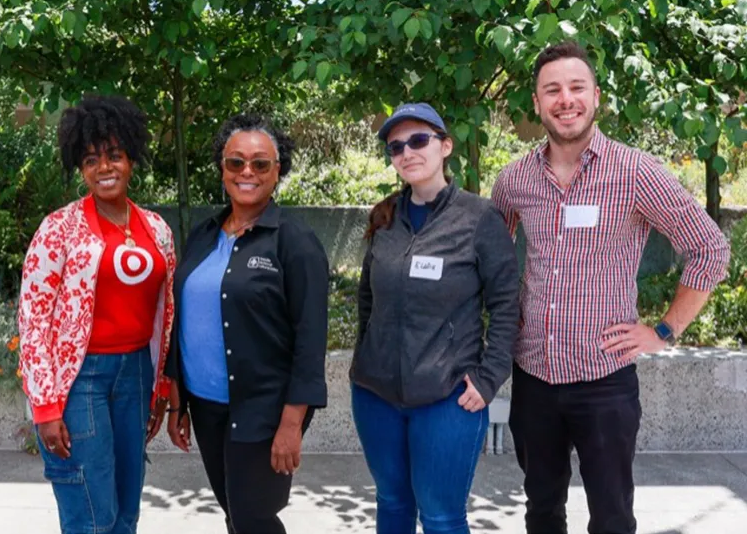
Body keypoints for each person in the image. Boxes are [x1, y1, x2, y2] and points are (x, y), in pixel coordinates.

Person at [491, 41, 731, 534]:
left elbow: (711, 248)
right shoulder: (514, 180)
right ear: (536, 103)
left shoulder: (636, 172)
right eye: (551, 89)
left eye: (577, 87)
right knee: (541, 510)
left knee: (613, 516)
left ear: (596, 96)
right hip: (533, 377)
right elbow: (492, 259)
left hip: (604, 382)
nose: (565, 99)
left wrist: (664, 330)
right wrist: (504, 319)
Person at [351, 103, 521, 534]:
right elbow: (367, 300)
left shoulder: (480, 218)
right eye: (396, 147)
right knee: (391, 503)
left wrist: (489, 378)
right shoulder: (385, 216)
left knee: (442, 517)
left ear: (445, 146)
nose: (407, 152)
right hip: (376, 395)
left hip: (447, 397)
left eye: (419, 140)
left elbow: (506, 304)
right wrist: (365, 358)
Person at [18, 94, 176, 534]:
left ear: (131, 159)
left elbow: (166, 314)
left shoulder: (157, 229)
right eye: (91, 160)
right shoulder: (58, 228)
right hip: (81, 378)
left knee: (127, 508)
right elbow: (33, 320)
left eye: (114, 156)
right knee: (90, 511)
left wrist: (161, 384)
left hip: (136, 376)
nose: (104, 167)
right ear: (80, 168)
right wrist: (45, 406)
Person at [164, 114, 329, 534]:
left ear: (278, 172)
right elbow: (183, 321)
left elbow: (310, 341)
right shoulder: (203, 234)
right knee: (234, 513)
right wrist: (177, 401)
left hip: (263, 411)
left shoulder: (295, 241)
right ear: (223, 169)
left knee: (255, 518)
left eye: (260, 163)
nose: (247, 172)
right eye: (236, 162)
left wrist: (292, 425)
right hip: (205, 408)